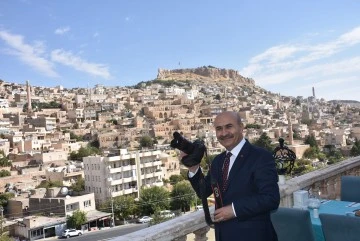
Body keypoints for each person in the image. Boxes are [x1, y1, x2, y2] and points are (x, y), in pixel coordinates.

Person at [187, 111, 280, 241]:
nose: (224, 133)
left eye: (229, 126)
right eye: (219, 129)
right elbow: (204, 191)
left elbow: (271, 198)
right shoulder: (218, 161)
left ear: (241, 127)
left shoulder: (260, 157)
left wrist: (234, 210)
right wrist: (193, 168)